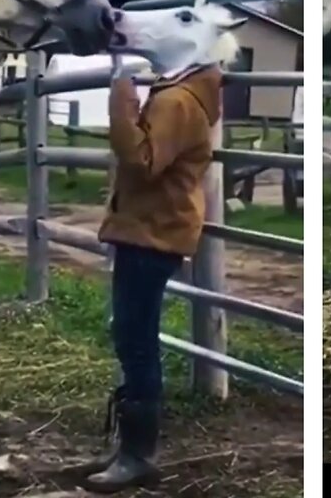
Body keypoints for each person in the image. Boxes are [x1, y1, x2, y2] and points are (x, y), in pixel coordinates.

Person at [85, 63, 222, 492]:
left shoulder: (177, 100)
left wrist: (122, 93)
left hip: (151, 235)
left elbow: (142, 160)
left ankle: (138, 455)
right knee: (132, 337)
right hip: (148, 230)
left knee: (136, 341)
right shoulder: (181, 94)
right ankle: (131, 447)